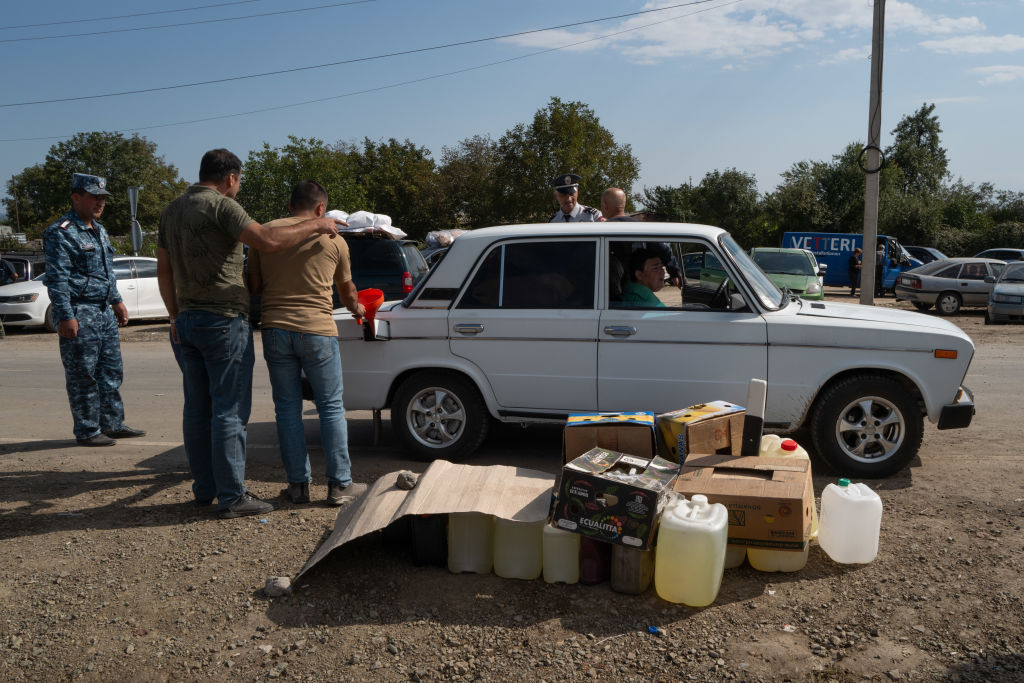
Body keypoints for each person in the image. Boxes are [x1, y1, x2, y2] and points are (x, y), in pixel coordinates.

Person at [157, 149, 344, 519]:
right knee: (229, 410)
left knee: (197, 409)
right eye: (239, 182)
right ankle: (231, 496)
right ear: (230, 178)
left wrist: (176, 316)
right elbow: (267, 241)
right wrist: (320, 226)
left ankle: (204, 489)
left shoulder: (172, 210)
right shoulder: (222, 206)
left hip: (189, 320)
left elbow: (163, 270)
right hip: (224, 320)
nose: (238, 188)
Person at [246, 181, 365, 507]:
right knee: (329, 408)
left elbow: (253, 286)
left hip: (275, 329)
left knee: (287, 410)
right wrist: (357, 307)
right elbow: (347, 291)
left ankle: (298, 487)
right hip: (317, 331)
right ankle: (340, 485)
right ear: (320, 210)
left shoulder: (265, 233)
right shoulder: (333, 238)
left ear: (289, 207)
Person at [42, 173, 147, 446]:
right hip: (79, 311)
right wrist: (65, 316)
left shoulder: (99, 230)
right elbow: (57, 278)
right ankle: (88, 430)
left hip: (103, 313)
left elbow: (106, 273)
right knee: (83, 375)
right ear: (76, 197)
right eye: (94, 197)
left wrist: (116, 300)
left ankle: (112, 424)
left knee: (111, 371)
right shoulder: (60, 232)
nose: (100, 202)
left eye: (103, 198)